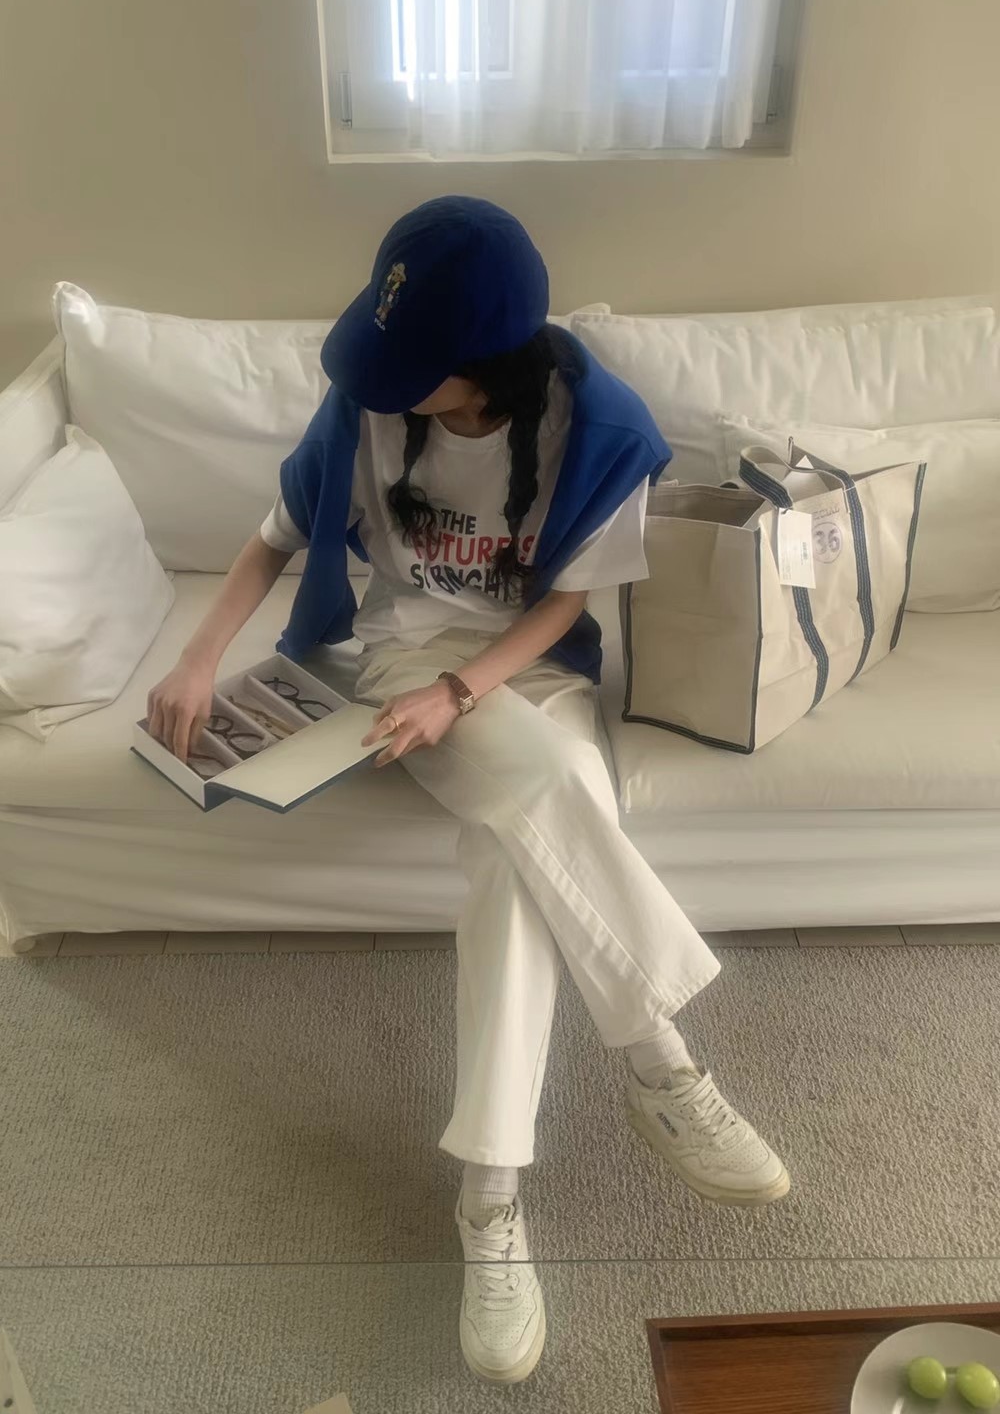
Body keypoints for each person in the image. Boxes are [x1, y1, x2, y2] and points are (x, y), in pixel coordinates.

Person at [147, 196, 790, 1385]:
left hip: (530, 668)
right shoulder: (365, 407)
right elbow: (272, 539)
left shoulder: (602, 428)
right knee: (541, 791)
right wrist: (197, 658)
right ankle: (661, 1065)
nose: (388, 385)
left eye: (418, 369)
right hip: (402, 656)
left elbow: (569, 602)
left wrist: (467, 693)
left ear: (486, 360)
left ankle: (489, 1202)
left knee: (514, 852)